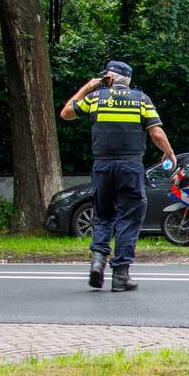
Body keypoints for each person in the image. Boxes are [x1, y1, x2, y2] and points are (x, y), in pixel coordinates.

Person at [60, 60, 176, 291]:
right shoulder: (141, 100)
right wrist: (169, 153)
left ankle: (98, 261)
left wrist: (88, 87)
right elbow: (155, 131)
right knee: (129, 218)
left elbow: (66, 113)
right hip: (130, 167)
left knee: (103, 216)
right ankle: (121, 275)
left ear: (109, 79)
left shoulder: (96, 98)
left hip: (102, 166)